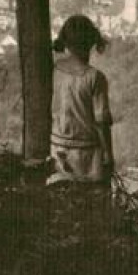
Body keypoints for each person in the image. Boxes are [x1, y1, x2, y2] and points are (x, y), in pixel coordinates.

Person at [48, 15, 114, 186]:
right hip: (87, 157)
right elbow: (101, 122)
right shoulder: (95, 78)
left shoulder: (54, 70)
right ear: (91, 43)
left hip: (56, 150)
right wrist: (109, 156)